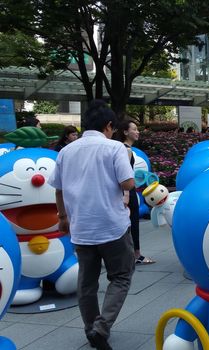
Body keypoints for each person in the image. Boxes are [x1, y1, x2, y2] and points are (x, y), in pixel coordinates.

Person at [49, 100, 135, 350]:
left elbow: (58, 189)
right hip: (112, 226)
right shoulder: (115, 148)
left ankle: (91, 329)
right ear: (109, 126)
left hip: (81, 228)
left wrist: (63, 217)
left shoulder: (66, 151)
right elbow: (127, 183)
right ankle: (102, 326)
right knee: (120, 277)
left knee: (86, 283)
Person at [114, 120, 155, 265]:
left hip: (120, 191)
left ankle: (128, 253)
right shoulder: (126, 150)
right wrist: (126, 195)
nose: (137, 132)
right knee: (132, 223)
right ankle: (136, 254)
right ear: (125, 132)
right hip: (127, 191)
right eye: (135, 129)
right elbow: (125, 174)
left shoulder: (118, 148)